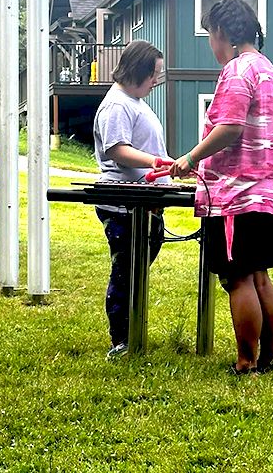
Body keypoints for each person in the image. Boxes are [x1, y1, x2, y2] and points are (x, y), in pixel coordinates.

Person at [170, 0, 273, 375]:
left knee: (238, 279)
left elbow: (231, 127)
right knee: (260, 277)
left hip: (236, 196)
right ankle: (269, 357)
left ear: (223, 33)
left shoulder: (238, 71)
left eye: (210, 35)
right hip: (265, 191)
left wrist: (190, 158)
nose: (211, 44)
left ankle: (245, 361)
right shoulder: (271, 72)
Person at [93, 40, 171, 359]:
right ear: (138, 70)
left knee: (136, 268)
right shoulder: (118, 104)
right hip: (124, 204)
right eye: (154, 74)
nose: (156, 81)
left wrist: (169, 166)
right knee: (126, 270)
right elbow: (118, 150)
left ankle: (133, 331)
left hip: (144, 201)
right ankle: (121, 340)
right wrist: (156, 163)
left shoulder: (135, 101)